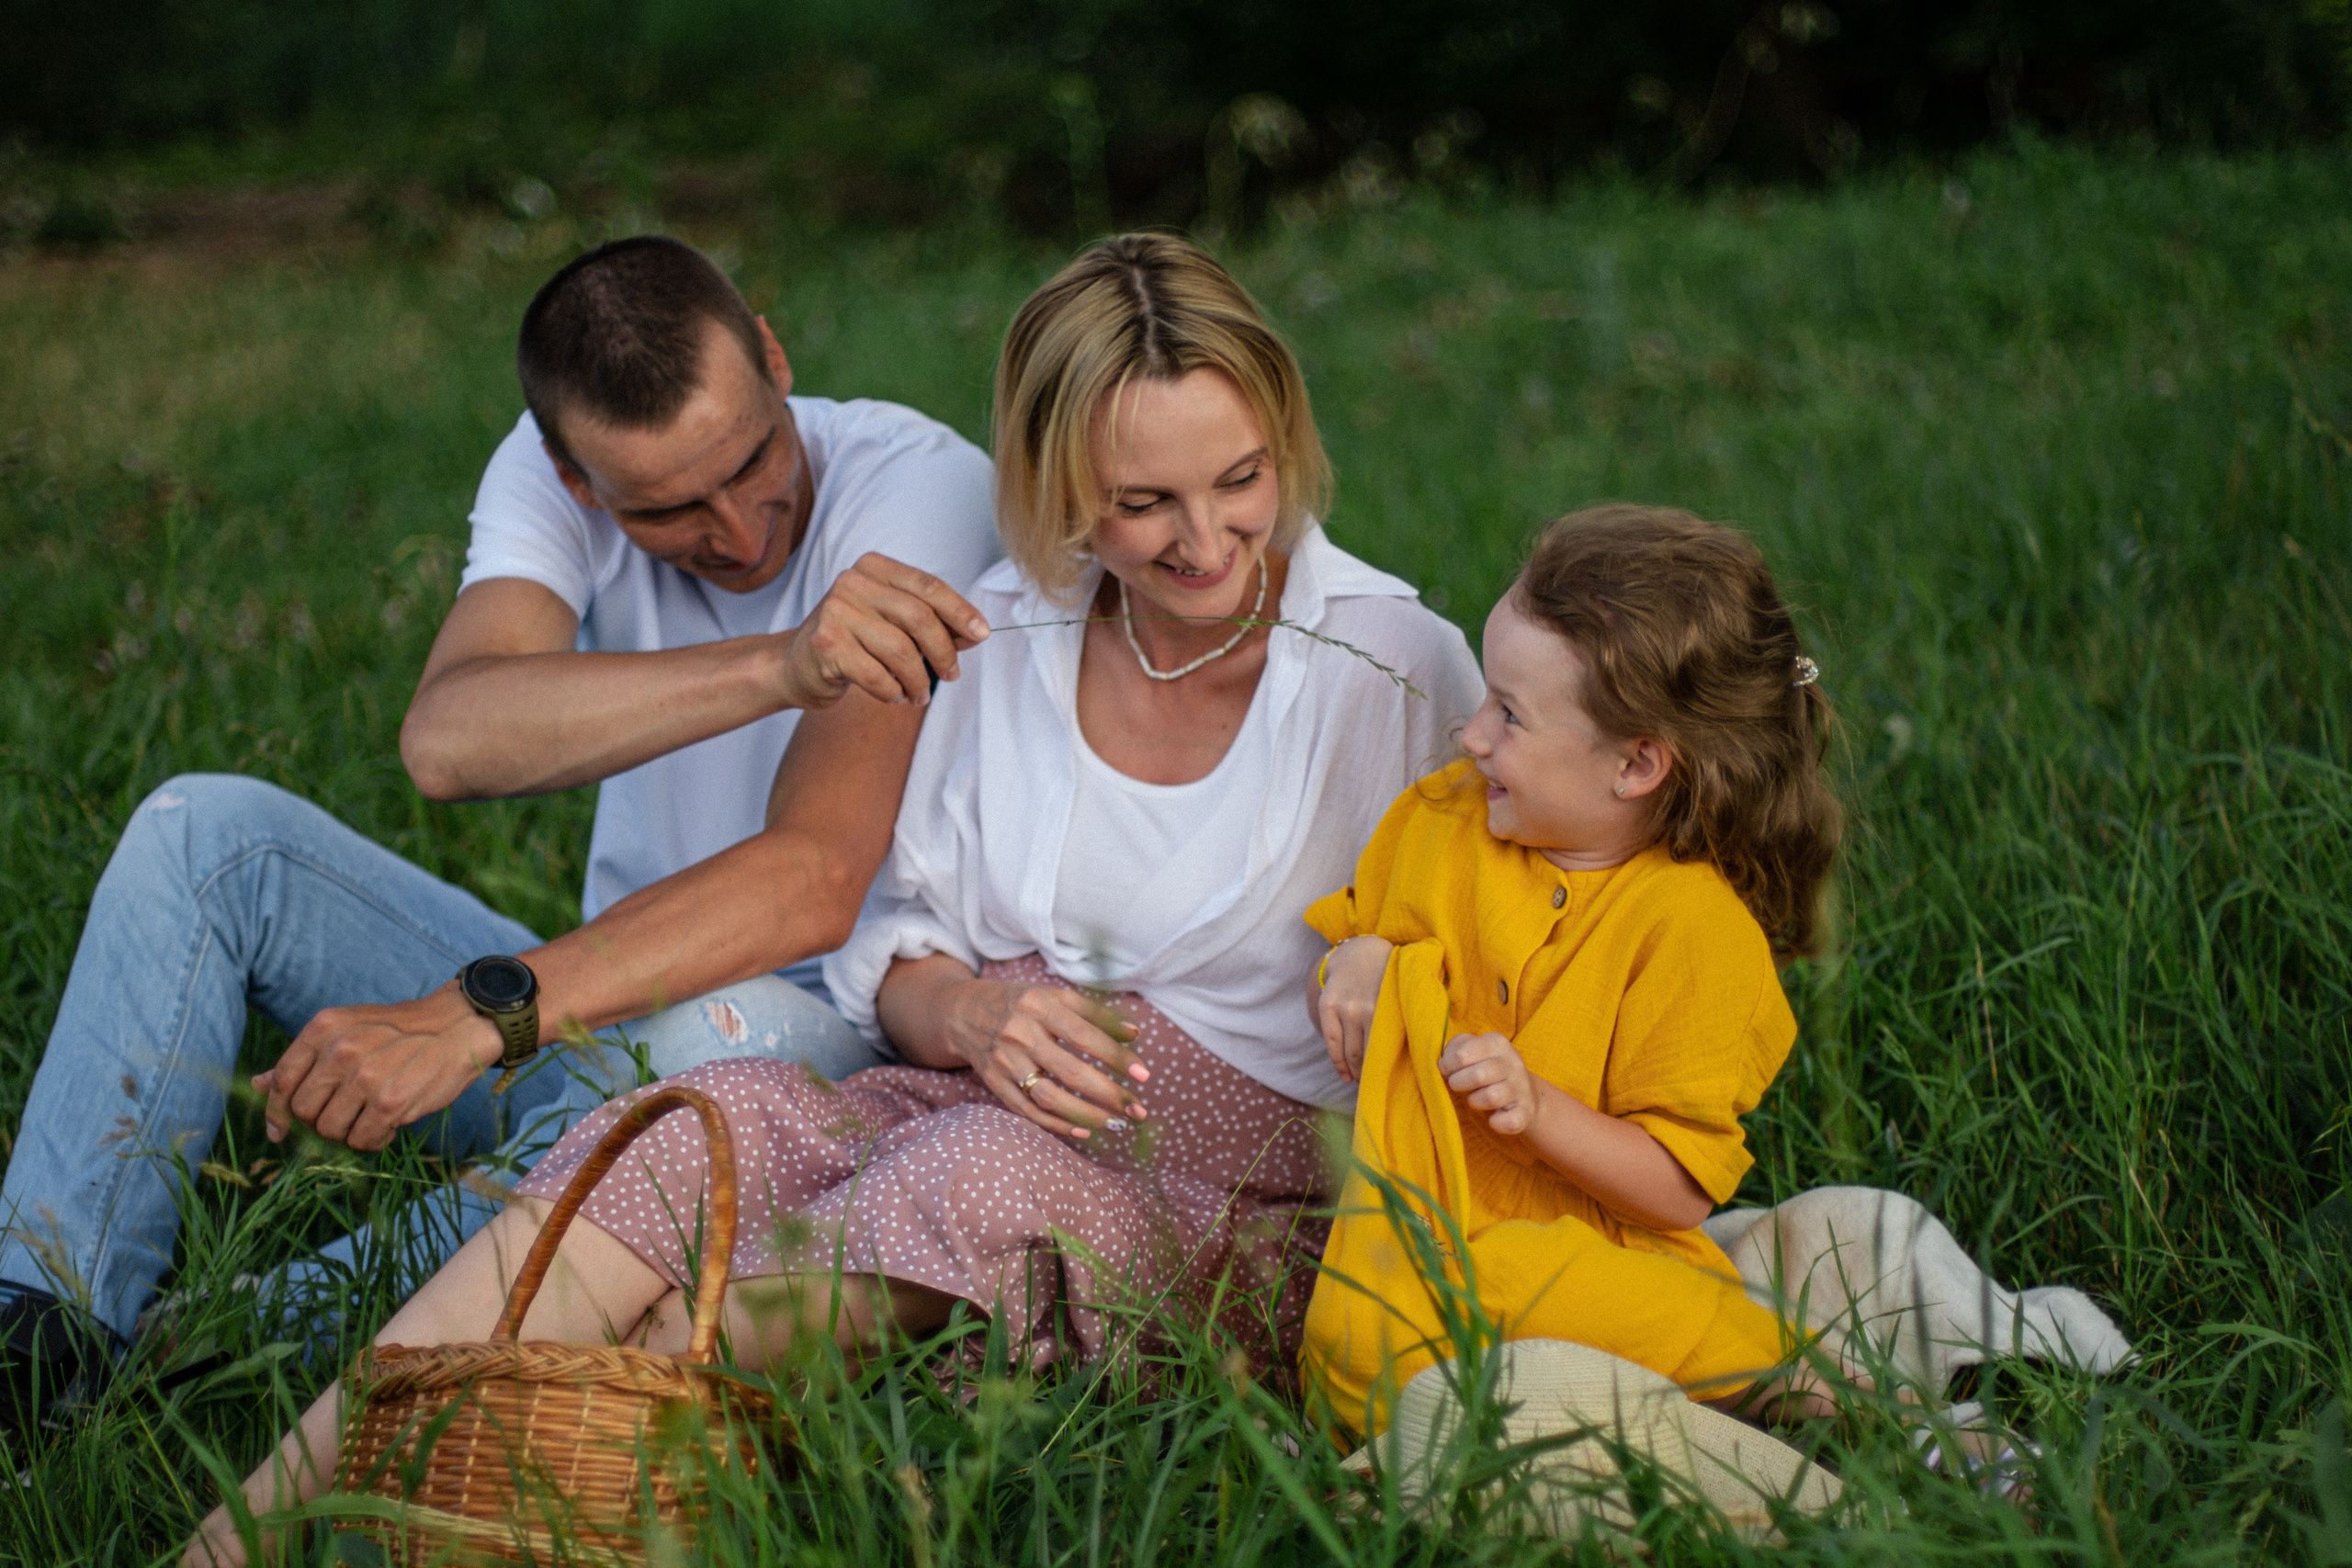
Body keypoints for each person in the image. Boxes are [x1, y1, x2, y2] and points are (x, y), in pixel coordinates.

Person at [182, 231, 1483, 1567]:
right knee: (694, 1126)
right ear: (1063, 492)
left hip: (1236, 1199)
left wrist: (1395, 965)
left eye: (1242, 479)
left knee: (958, 1174)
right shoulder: (998, 629)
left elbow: (1517, 944)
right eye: (1146, 501)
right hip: (968, 1103)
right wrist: (971, 1011)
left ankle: (492, 1490)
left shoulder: (1388, 663)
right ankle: (241, 1534)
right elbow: (890, 937)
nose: (1206, 539)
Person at [1, 235, 1001, 1428]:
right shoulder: (552, 471)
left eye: (757, 460)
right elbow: (449, 738)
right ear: (577, 481)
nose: (739, 529)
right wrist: (783, 662)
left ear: (777, 362)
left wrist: (482, 1013)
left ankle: (212, 1365)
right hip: (601, 1004)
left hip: (820, 1035)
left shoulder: (919, 486)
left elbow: (816, 880)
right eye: (671, 508)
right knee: (208, 832)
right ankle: (42, 1329)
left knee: (713, 1037)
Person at [1298, 504, 1842, 1442]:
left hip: (1601, 1255)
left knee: (1542, 1290)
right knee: (1355, 1328)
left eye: (1509, 714)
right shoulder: (1440, 824)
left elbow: (1678, 1187)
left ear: (1636, 763)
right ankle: (1616, 1406)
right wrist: (1359, 960)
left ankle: (1771, 1378)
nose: (1470, 737)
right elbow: (1364, 949)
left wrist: (1539, 1111)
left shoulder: (1692, 929)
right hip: (1423, 1229)